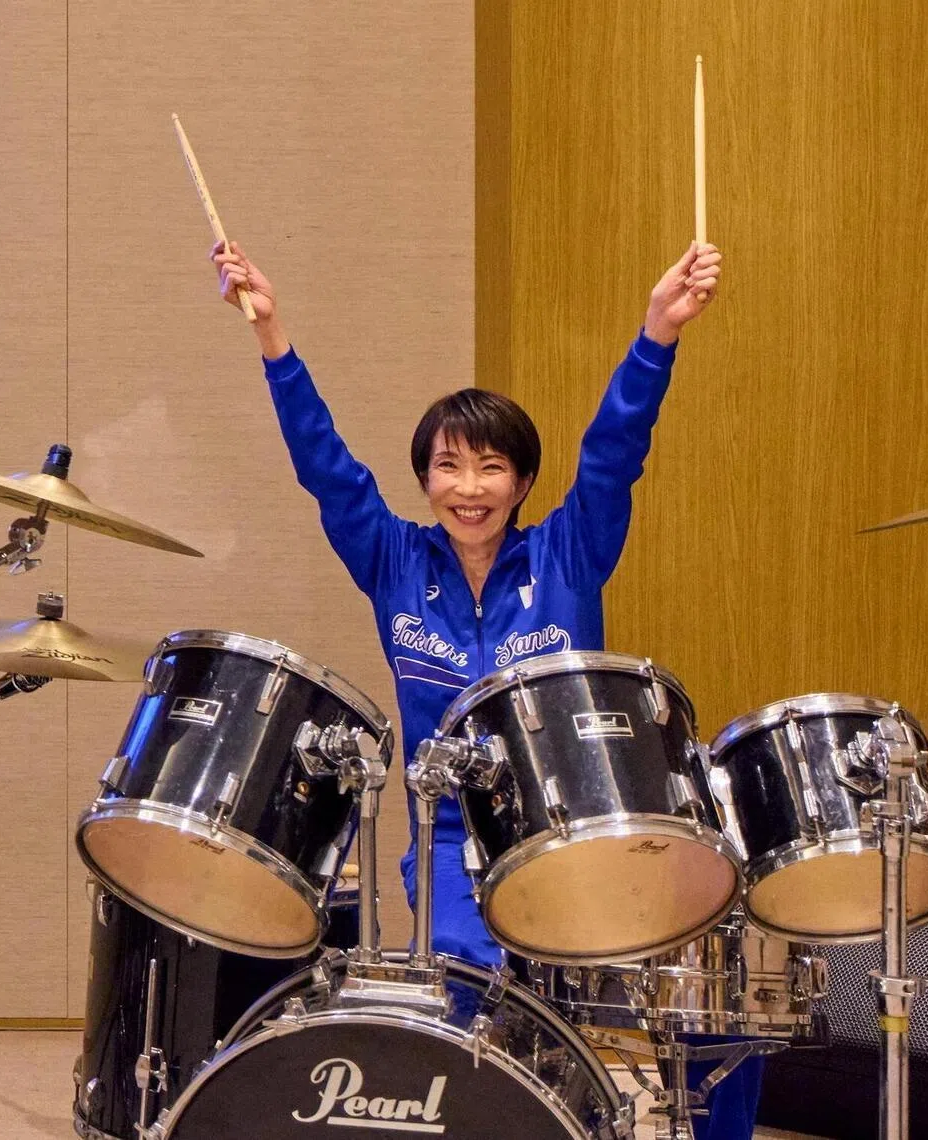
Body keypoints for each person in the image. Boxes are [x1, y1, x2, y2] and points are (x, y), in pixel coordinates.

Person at [213, 237, 757, 1139]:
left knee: (714, 996)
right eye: (449, 467)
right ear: (426, 479)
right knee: (458, 991)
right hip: (454, 837)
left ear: (523, 481)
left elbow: (615, 448)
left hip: (585, 823)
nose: (469, 488)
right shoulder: (391, 559)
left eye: (491, 467)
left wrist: (659, 332)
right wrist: (272, 335)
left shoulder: (569, 552)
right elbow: (325, 467)